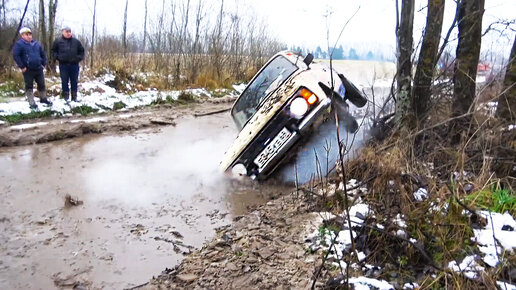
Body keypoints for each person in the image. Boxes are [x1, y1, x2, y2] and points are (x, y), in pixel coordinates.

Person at [12, 27, 52, 109]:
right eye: (27, 34)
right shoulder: (19, 44)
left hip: (38, 68)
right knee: (29, 86)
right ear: (22, 35)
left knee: (41, 84)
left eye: (30, 34)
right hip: (28, 69)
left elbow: (43, 54)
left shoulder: (36, 44)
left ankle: (43, 98)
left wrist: (43, 64)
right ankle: (31, 101)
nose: (29, 36)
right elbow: (16, 56)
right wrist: (22, 66)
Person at [51, 26, 85, 102]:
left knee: (74, 81)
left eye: (69, 31)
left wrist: (78, 58)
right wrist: (58, 57)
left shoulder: (76, 42)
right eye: (66, 32)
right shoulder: (58, 41)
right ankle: (65, 97)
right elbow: (53, 51)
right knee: (64, 81)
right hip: (63, 65)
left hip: (74, 65)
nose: (68, 33)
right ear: (63, 32)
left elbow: (82, 51)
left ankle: (74, 97)